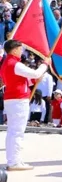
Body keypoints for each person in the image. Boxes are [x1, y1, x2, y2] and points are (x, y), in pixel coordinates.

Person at [1, 40, 49, 170]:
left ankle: (14, 160)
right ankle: (14, 162)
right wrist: (45, 64)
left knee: (13, 131)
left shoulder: (7, 63)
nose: (22, 50)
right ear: (14, 49)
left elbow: (20, 80)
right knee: (17, 131)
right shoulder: (14, 63)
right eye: (20, 48)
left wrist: (34, 80)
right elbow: (35, 73)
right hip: (18, 100)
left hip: (13, 99)